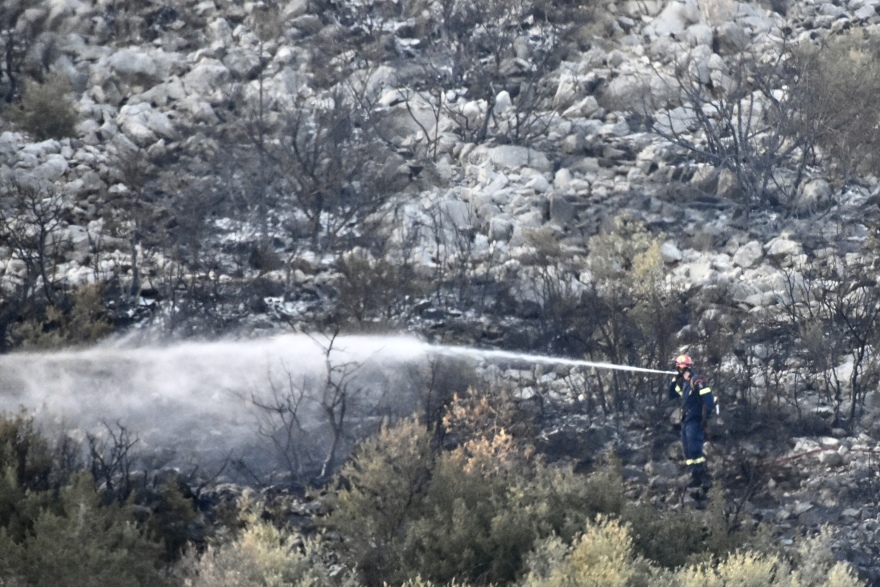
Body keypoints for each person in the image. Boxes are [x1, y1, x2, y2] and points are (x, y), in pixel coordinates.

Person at [668, 354, 714, 489]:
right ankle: (694, 475)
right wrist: (674, 380)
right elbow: (671, 395)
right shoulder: (685, 384)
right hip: (686, 422)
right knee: (687, 450)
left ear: (682, 368)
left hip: (695, 421)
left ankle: (703, 474)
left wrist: (705, 418)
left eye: (678, 368)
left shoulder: (696, 381)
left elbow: (708, 399)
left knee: (695, 449)